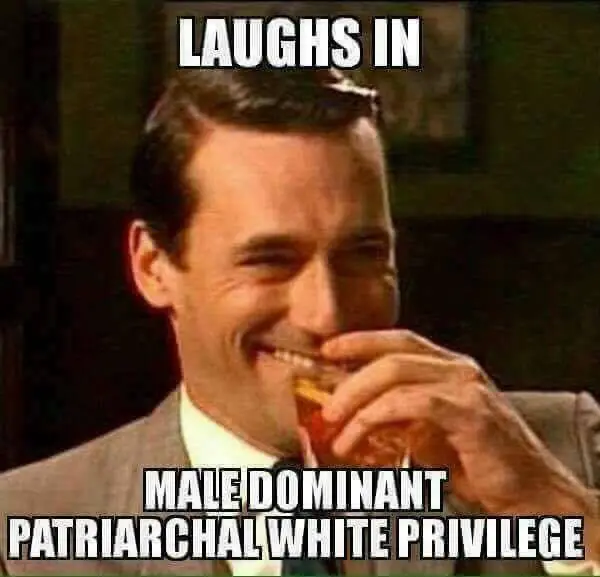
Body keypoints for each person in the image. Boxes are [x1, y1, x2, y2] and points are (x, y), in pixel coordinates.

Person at [0, 68, 599, 575]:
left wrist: (561, 508)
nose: (327, 313)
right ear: (154, 268)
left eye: (363, 254)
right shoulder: (27, 530)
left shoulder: (569, 448)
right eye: (270, 260)